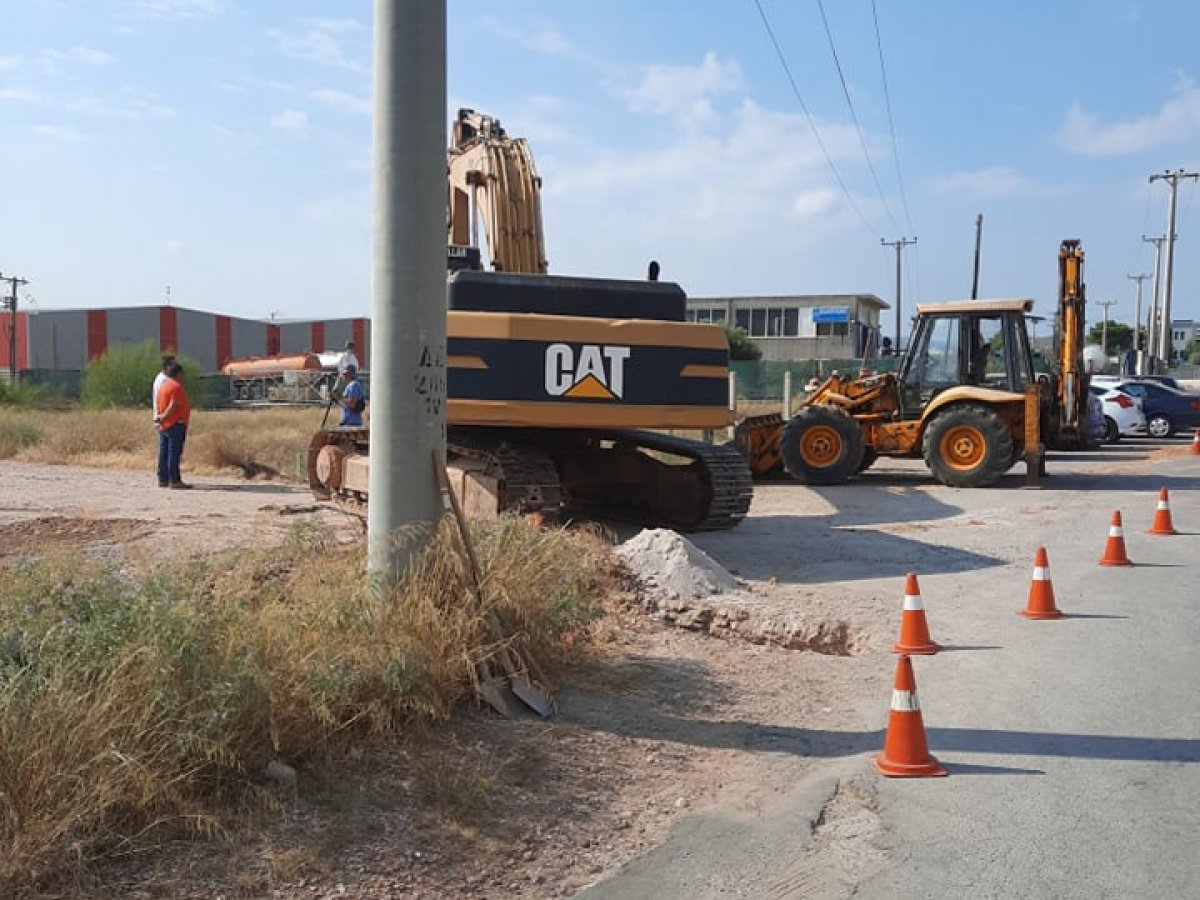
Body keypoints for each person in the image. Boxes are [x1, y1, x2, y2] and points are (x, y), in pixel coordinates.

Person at [154, 362, 192, 489]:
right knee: (174, 453)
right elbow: (173, 405)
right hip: (175, 423)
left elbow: (159, 404)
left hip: (165, 425)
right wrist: (164, 416)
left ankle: (163, 479)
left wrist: (160, 418)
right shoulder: (176, 387)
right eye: (183, 373)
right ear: (178, 374)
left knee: (164, 452)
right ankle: (174, 480)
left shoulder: (163, 386)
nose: (184, 376)